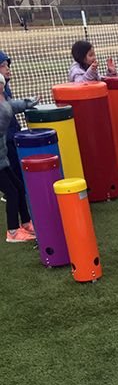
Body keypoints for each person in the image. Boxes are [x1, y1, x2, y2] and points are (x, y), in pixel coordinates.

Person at [0, 74, 38, 243]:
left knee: (18, 186)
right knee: (12, 192)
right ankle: (13, 231)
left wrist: (27, 103)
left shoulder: (2, 100)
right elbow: (4, 117)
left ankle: (26, 222)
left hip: (2, 159)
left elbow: (11, 105)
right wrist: (7, 107)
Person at [0, 51, 26, 182]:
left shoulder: (5, 86)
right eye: (3, 65)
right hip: (6, 138)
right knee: (12, 167)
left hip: (12, 133)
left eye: (7, 65)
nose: (7, 68)